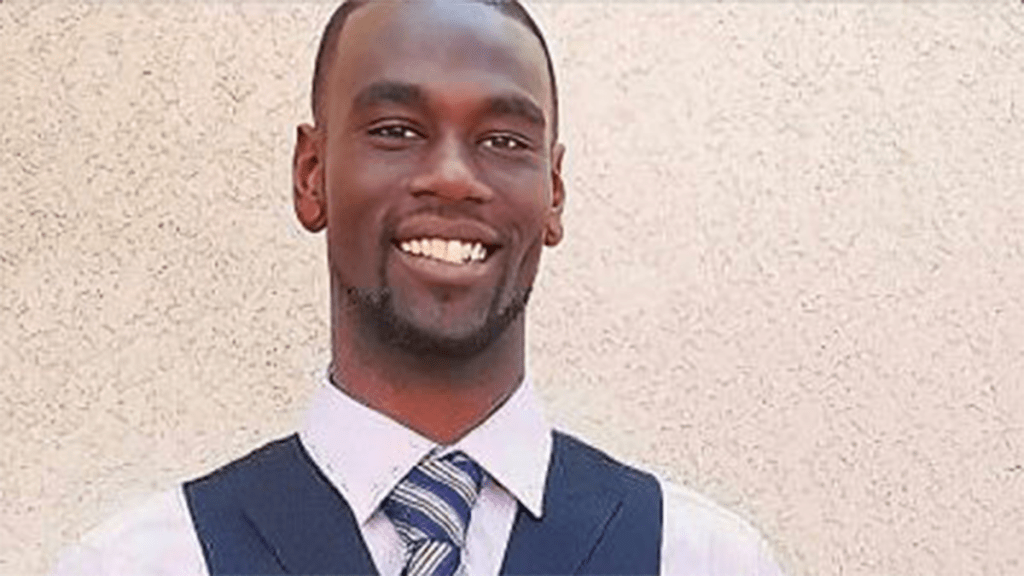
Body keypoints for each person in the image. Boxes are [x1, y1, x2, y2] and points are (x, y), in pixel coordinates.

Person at [54, 1, 786, 574]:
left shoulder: (701, 560)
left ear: (554, 192)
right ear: (311, 174)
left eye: (504, 141)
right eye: (396, 130)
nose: (453, 178)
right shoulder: (143, 563)